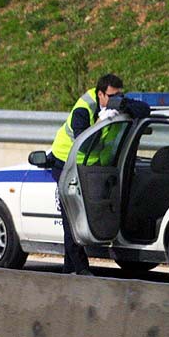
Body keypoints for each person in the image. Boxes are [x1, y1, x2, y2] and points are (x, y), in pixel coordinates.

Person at [49, 74, 149, 275]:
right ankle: (81, 268)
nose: (116, 100)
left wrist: (124, 107)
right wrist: (99, 124)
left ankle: (69, 270)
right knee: (72, 216)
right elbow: (82, 145)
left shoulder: (115, 101)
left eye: (119, 95)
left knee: (84, 214)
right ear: (100, 94)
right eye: (112, 96)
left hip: (94, 168)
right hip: (66, 164)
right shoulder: (83, 110)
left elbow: (144, 110)